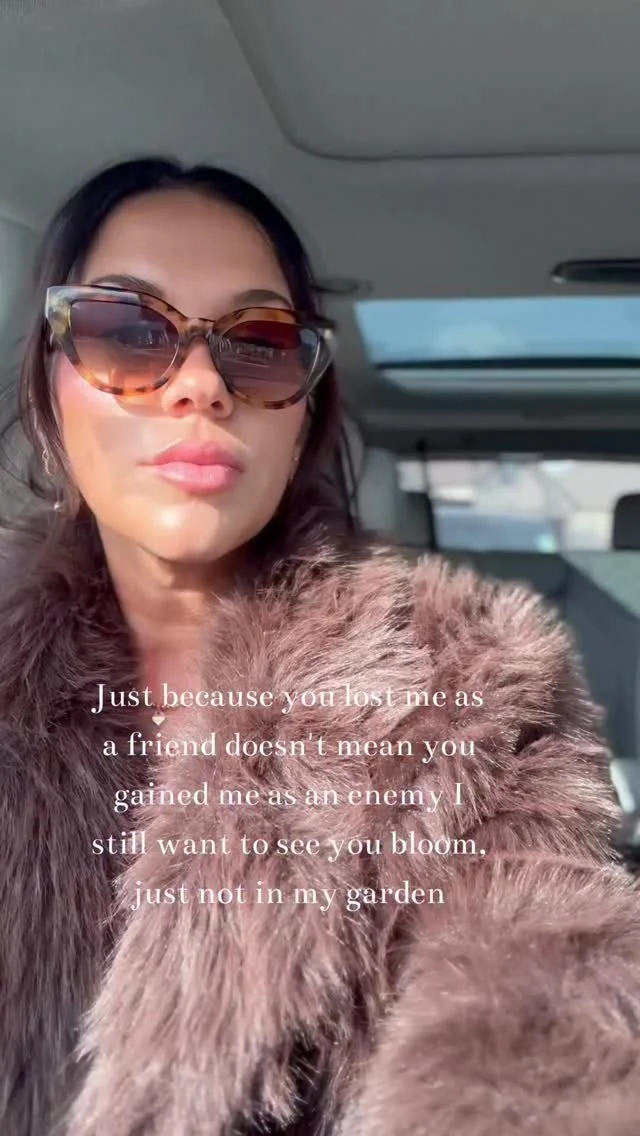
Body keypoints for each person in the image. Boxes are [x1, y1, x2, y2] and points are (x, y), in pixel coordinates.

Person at [0, 157, 639, 1136]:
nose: (201, 385)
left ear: (302, 415)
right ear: (49, 390)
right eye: (127, 332)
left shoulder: (468, 693)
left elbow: (538, 996)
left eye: (258, 344)